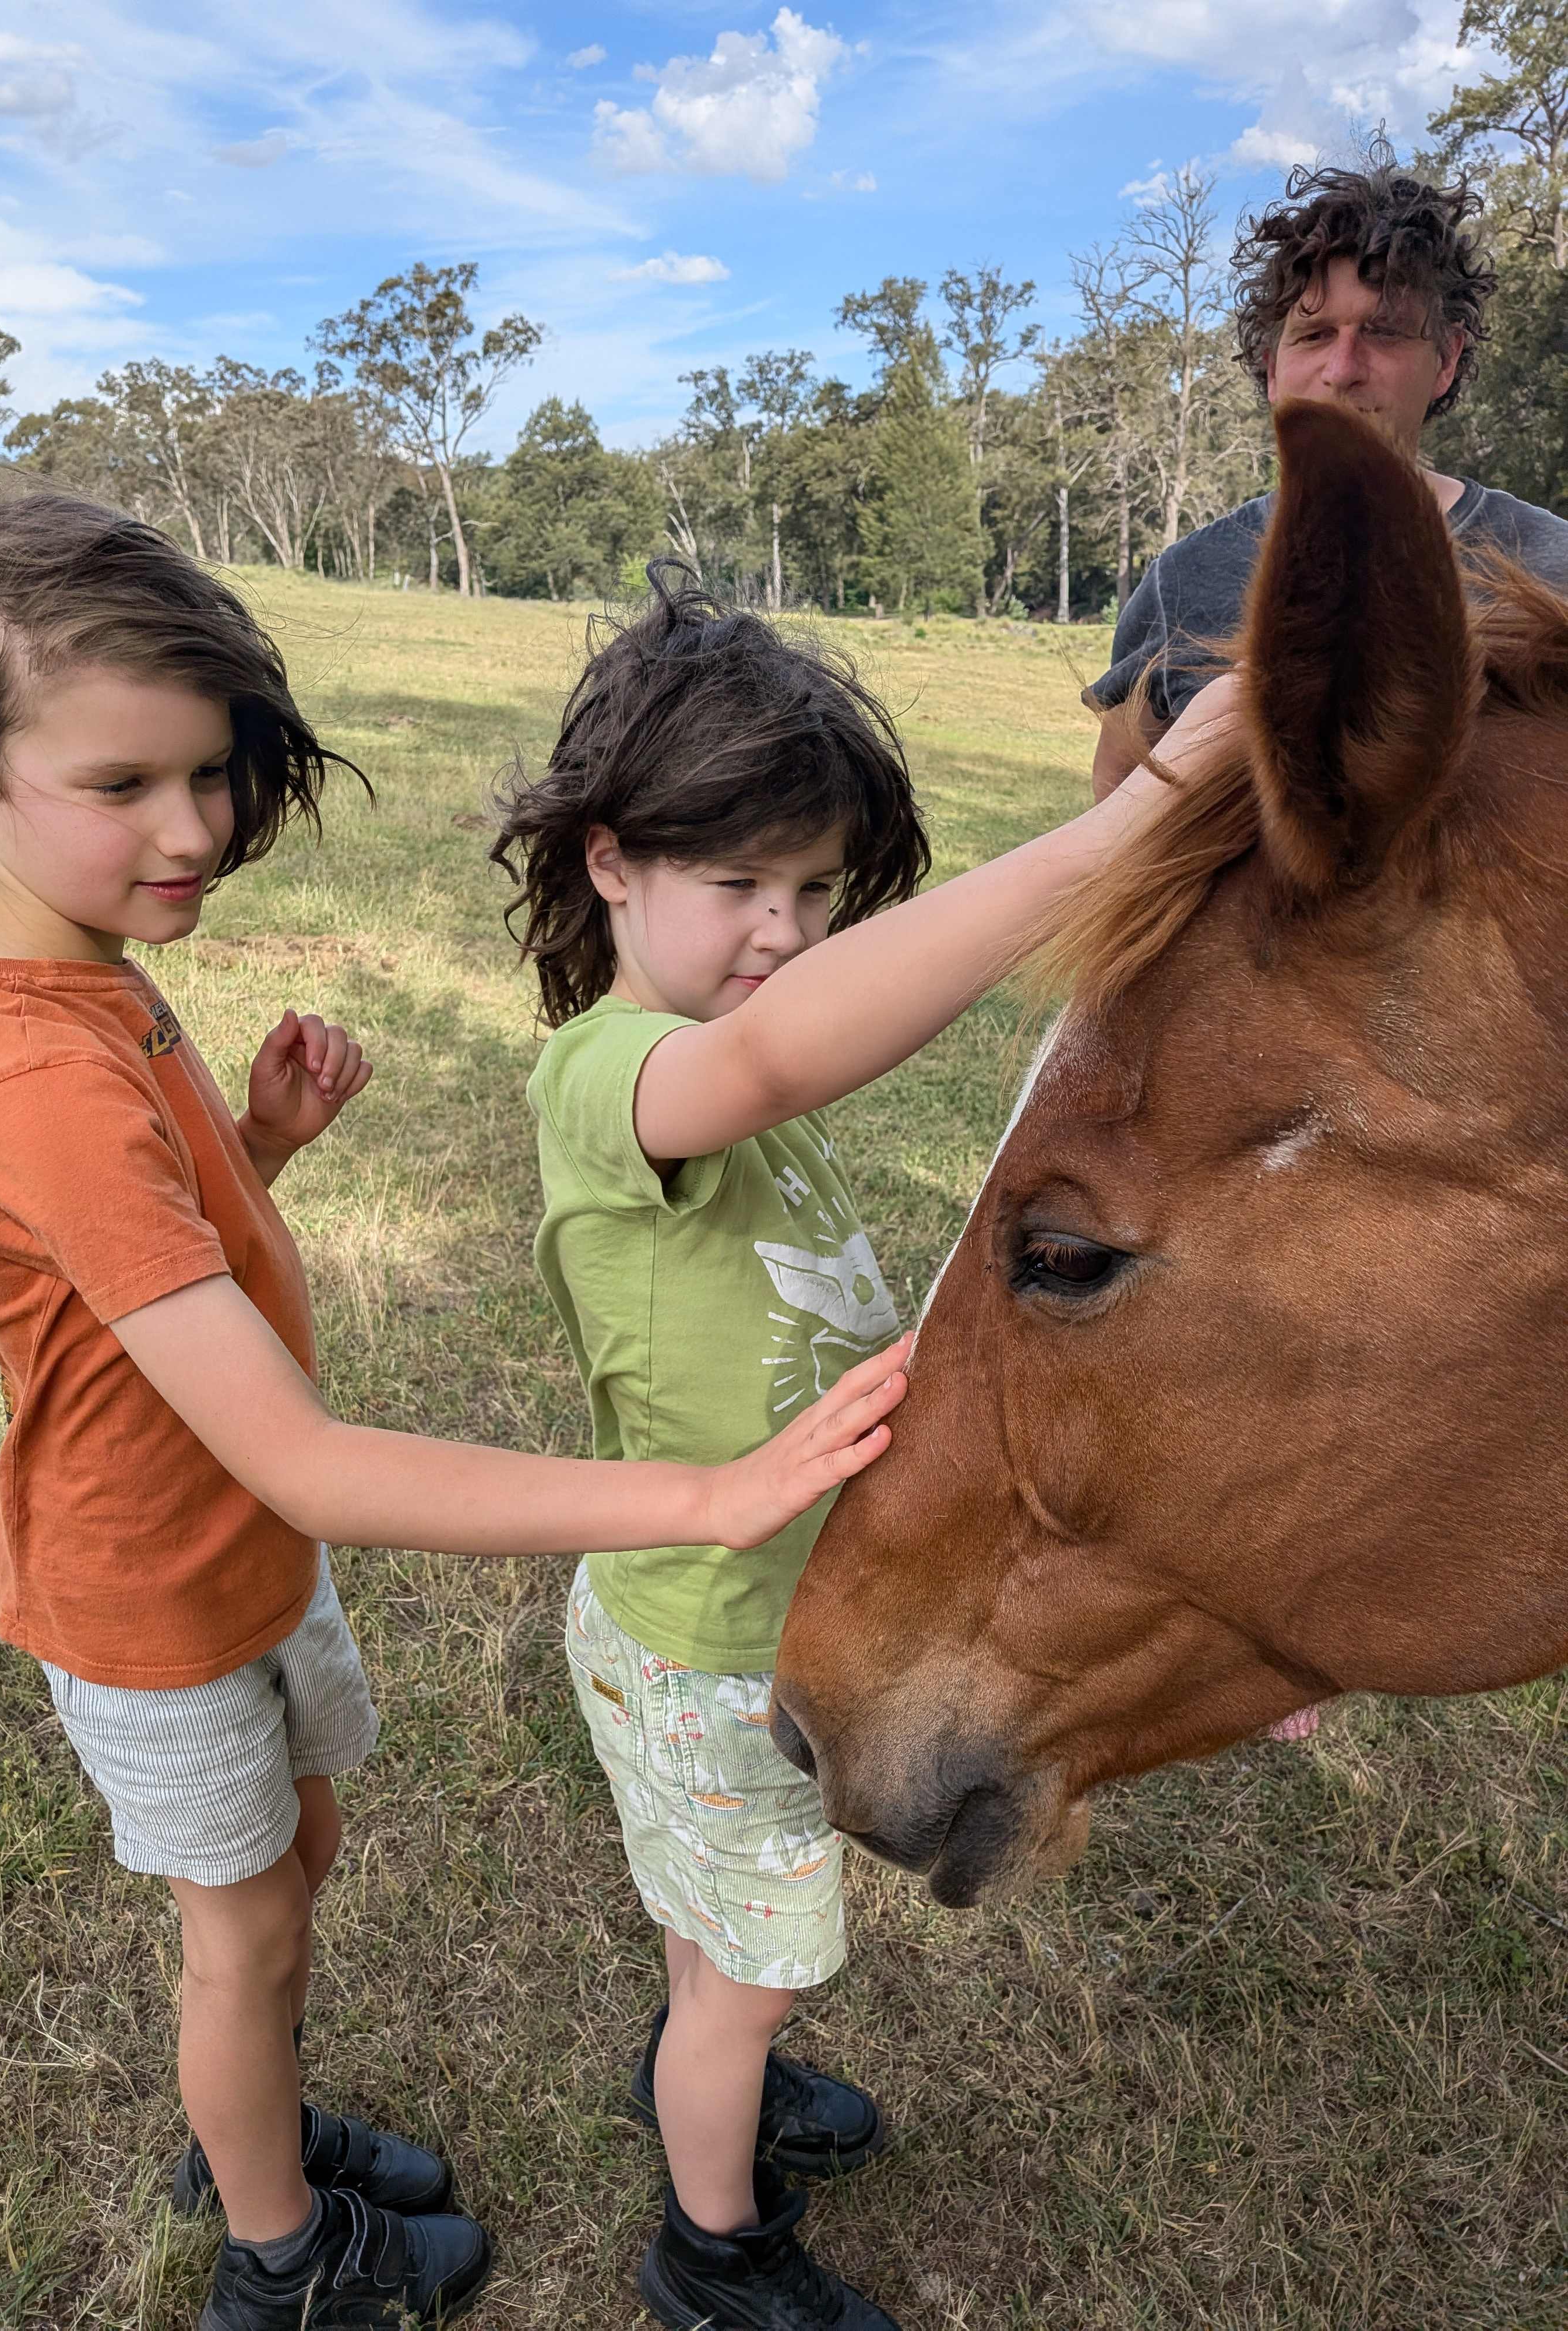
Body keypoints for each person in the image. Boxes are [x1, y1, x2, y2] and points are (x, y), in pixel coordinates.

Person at [0, 480, 911, 2331]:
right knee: (241, 1927)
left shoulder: (88, 987)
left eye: (207, 772)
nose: (192, 827)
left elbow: (132, 1271)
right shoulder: (25, 1063)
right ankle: (279, 2252)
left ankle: (253, 2111)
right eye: (122, 786)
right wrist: (700, 1496)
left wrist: (255, 1150)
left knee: (292, 1872)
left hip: (229, 1560)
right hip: (152, 1591)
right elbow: (306, 1453)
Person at [492, 568, 1229, 2331]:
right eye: (736, 883)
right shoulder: (615, 1080)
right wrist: (1128, 825)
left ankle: (708, 2060)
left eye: (816, 890)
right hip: (706, 1644)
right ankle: (711, 2243)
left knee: (719, 1949)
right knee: (749, 1980)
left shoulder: (742, 1080)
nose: (783, 930)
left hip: (761, 1625)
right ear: (609, 860)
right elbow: (770, 1050)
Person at [1090, 149, 1568, 799]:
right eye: (1313, 336)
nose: (1343, 369)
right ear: (1271, 367)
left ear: (1447, 360)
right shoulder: (1185, 579)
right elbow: (1119, 778)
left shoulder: (1550, 566)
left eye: (1386, 331)